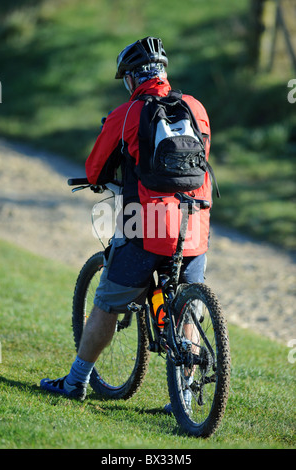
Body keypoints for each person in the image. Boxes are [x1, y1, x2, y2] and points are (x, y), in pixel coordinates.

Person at [40, 37, 213, 407]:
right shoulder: (196, 108)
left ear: (134, 79)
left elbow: (94, 168)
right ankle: (183, 397)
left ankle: (75, 382)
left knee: (105, 302)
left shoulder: (128, 115)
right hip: (195, 225)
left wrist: (103, 175)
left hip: (147, 227)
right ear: (163, 72)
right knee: (187, 306)